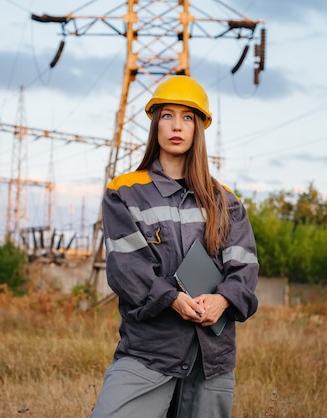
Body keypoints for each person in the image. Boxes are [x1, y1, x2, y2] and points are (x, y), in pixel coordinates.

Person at [90, 75, 259, 418]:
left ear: (199, 128)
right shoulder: (125, 191)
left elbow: (244, 268)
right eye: (166, 116)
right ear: (155, 125)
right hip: (150, 351)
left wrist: (223, 299)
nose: (176, 126)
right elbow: (127, 269)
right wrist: (172, 299)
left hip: (210, 359)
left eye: (186, 117)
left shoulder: (226, 201)